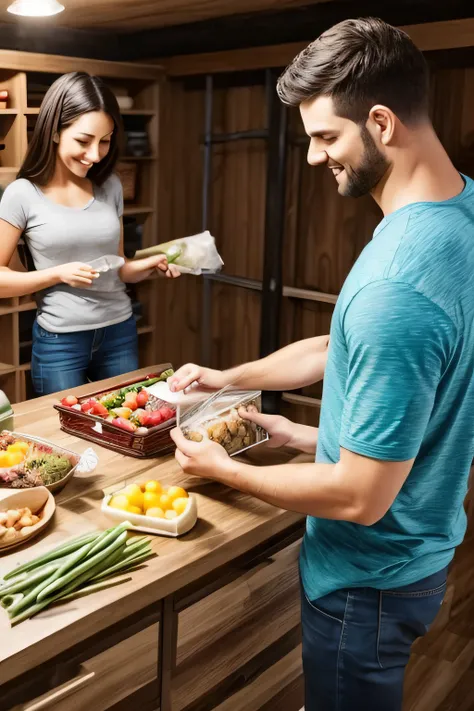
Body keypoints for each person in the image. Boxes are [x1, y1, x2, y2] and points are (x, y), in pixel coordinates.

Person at [169, 17, 474, 711]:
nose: (312, 157)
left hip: (366, 578)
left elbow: (361, 496)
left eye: (326, 137)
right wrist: (236, 385)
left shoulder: (395, 285)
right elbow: (356, 357)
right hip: (422, 552)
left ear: (382, 122)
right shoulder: (458, 216)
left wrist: (226, 469)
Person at [0, 71, 179, 395]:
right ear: (54, 132)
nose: (95, 154)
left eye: (105, 140)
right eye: (83, 140)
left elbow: (119, 266)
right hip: (60, 342)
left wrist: (151, 263)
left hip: (119, 332)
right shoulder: (22, 194)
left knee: (125, 429)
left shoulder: (109, 185)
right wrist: (57, 274)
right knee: (64, 438)